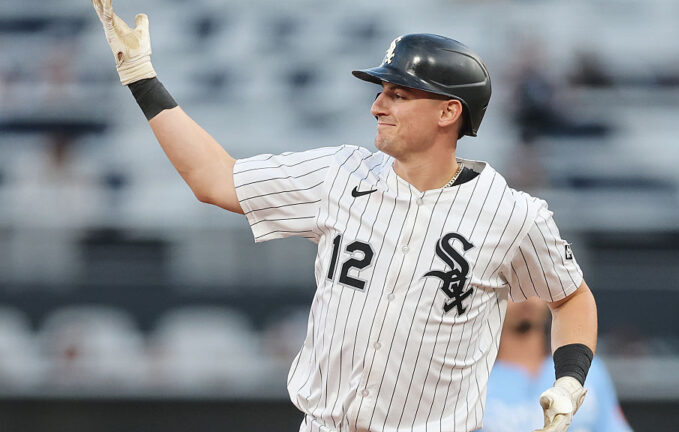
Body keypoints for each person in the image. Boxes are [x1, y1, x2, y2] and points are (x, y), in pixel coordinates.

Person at [91, 2, 599, 431]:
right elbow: (215, 180)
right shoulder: (339, 175)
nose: (378, 105)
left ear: (449, 112)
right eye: (381, 91)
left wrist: (570, 380)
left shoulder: (512, 214)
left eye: (398, 94)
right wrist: (141, 78)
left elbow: (571, 296)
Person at [481, 298, 631, 432]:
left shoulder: (588, 368)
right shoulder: (474, 377)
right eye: (511, 287)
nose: (525, 296)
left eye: (533, 284)